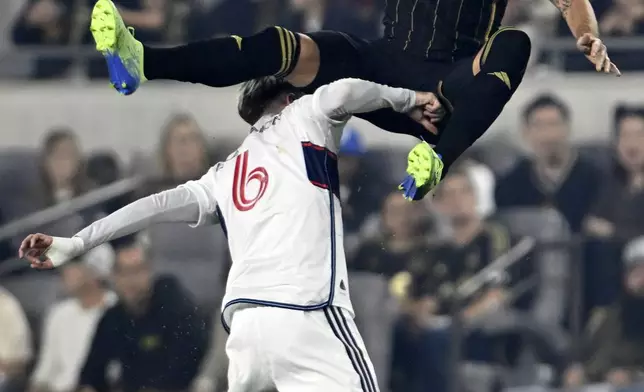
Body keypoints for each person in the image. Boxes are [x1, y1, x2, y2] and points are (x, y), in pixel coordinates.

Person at [19, 77, 445, 391]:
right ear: (290, 98)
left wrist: (77, 242)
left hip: (244, 332)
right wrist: (409, 98)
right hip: (305, 313)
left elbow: (151, 207)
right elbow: (346, 91)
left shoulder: (223, 174)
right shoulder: (304, 118)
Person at [88, 0, 618, 198]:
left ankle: (436, 158)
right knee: (285, 46)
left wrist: (586, 34)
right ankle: (142, 62)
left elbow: (572, 1)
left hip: (450, 86)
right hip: (385, 66)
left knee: (515, 43)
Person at [29, 245, 117, 392]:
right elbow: (44, 371)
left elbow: (114, 373)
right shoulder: (59, 313)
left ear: (93, 272)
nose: (65, 271)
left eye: (73, 265)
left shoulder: (115, 311)